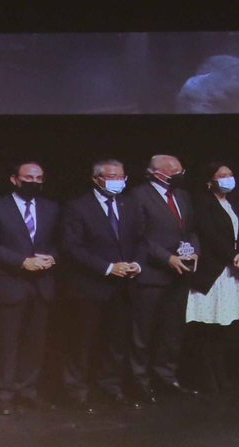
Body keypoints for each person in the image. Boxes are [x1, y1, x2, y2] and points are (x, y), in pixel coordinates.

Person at [59, 159, 143, 412]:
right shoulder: (77, 206)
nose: (118, 180)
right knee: (82, 343)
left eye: (121, 175)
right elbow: (71, 247)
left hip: (124, 286)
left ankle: (111, 387)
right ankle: (76, 392)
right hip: (90, 287)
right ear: (97, 179)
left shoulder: (130, 204)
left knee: (116, 342)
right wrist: (107, 267)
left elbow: (142, 238)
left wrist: (136, 263)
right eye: (112, 176)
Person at [0, 161, 59, 415]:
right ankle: (4, 393)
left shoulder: (51, 208)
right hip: (8, 284)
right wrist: (22, 262)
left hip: (42, 285)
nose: (34, 181)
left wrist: (52, 257)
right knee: (6, 343)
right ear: (15, 179)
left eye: (39, 177)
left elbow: (60, 241)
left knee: (35, 343)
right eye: (28, 177)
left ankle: (28, 391)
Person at [128, 154, 199, 397]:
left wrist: (194, 252)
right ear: (156, 172)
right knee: (144, 332)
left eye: (181, 169)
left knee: (172, 331)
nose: (180, 174)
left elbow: (190, 231)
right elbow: (139, 236)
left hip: (180, 275)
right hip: (151, 274)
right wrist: (166, 258)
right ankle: (140, 380)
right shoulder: (138, 195)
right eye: (174, 170)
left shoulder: (182, 196)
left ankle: (166, 377)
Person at [185, 162, 239, 391]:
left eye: (230, 174)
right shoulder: (201, 203)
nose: (228, 179)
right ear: (210, 181)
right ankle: (205, 376)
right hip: (213, 270)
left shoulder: (236, 202)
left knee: (224, 326)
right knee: (208, 325)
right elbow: (209, 235)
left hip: (233, 271)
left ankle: (221, 373)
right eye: (222, 175)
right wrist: (234, 256)